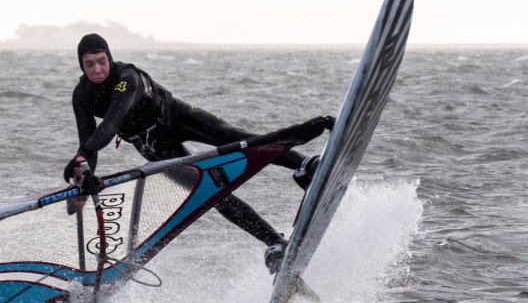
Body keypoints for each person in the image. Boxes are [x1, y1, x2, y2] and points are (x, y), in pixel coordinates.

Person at [62, 33, 332, 273]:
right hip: (152, 143)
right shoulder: (82, 95)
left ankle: (305, 165)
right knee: (209, 191)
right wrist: (85, 176)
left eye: (101, 61)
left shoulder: (126, 78)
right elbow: (88, 140)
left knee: (233, 137)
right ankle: (274, 242)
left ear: (109, 57)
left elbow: (109, 126)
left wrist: (83, 154)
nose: (97, 69)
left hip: (176, 116)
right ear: (81, 64)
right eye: (90, 64)